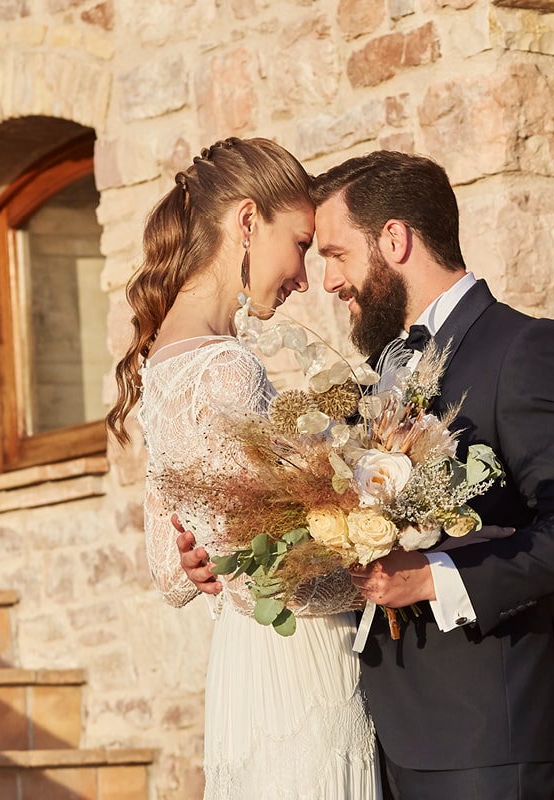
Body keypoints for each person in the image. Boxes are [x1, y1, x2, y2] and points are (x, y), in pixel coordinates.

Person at [180, 149, 554, 799]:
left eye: (335, 253)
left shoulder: (526, 348)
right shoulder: (381, 371)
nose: (326, 280)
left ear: (395, 239)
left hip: (484, 740)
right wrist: (239, 553)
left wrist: (434, 579)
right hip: (379, 734)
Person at [107, 137, 381, 800]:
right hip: (297, 668)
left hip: (242, 671)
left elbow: (171, 572)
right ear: (248, 222)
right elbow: (277, 578)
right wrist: (380, 563)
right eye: (299, 244)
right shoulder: (226, 366)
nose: (303, 277)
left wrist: (204, 562)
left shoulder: (163, 362)